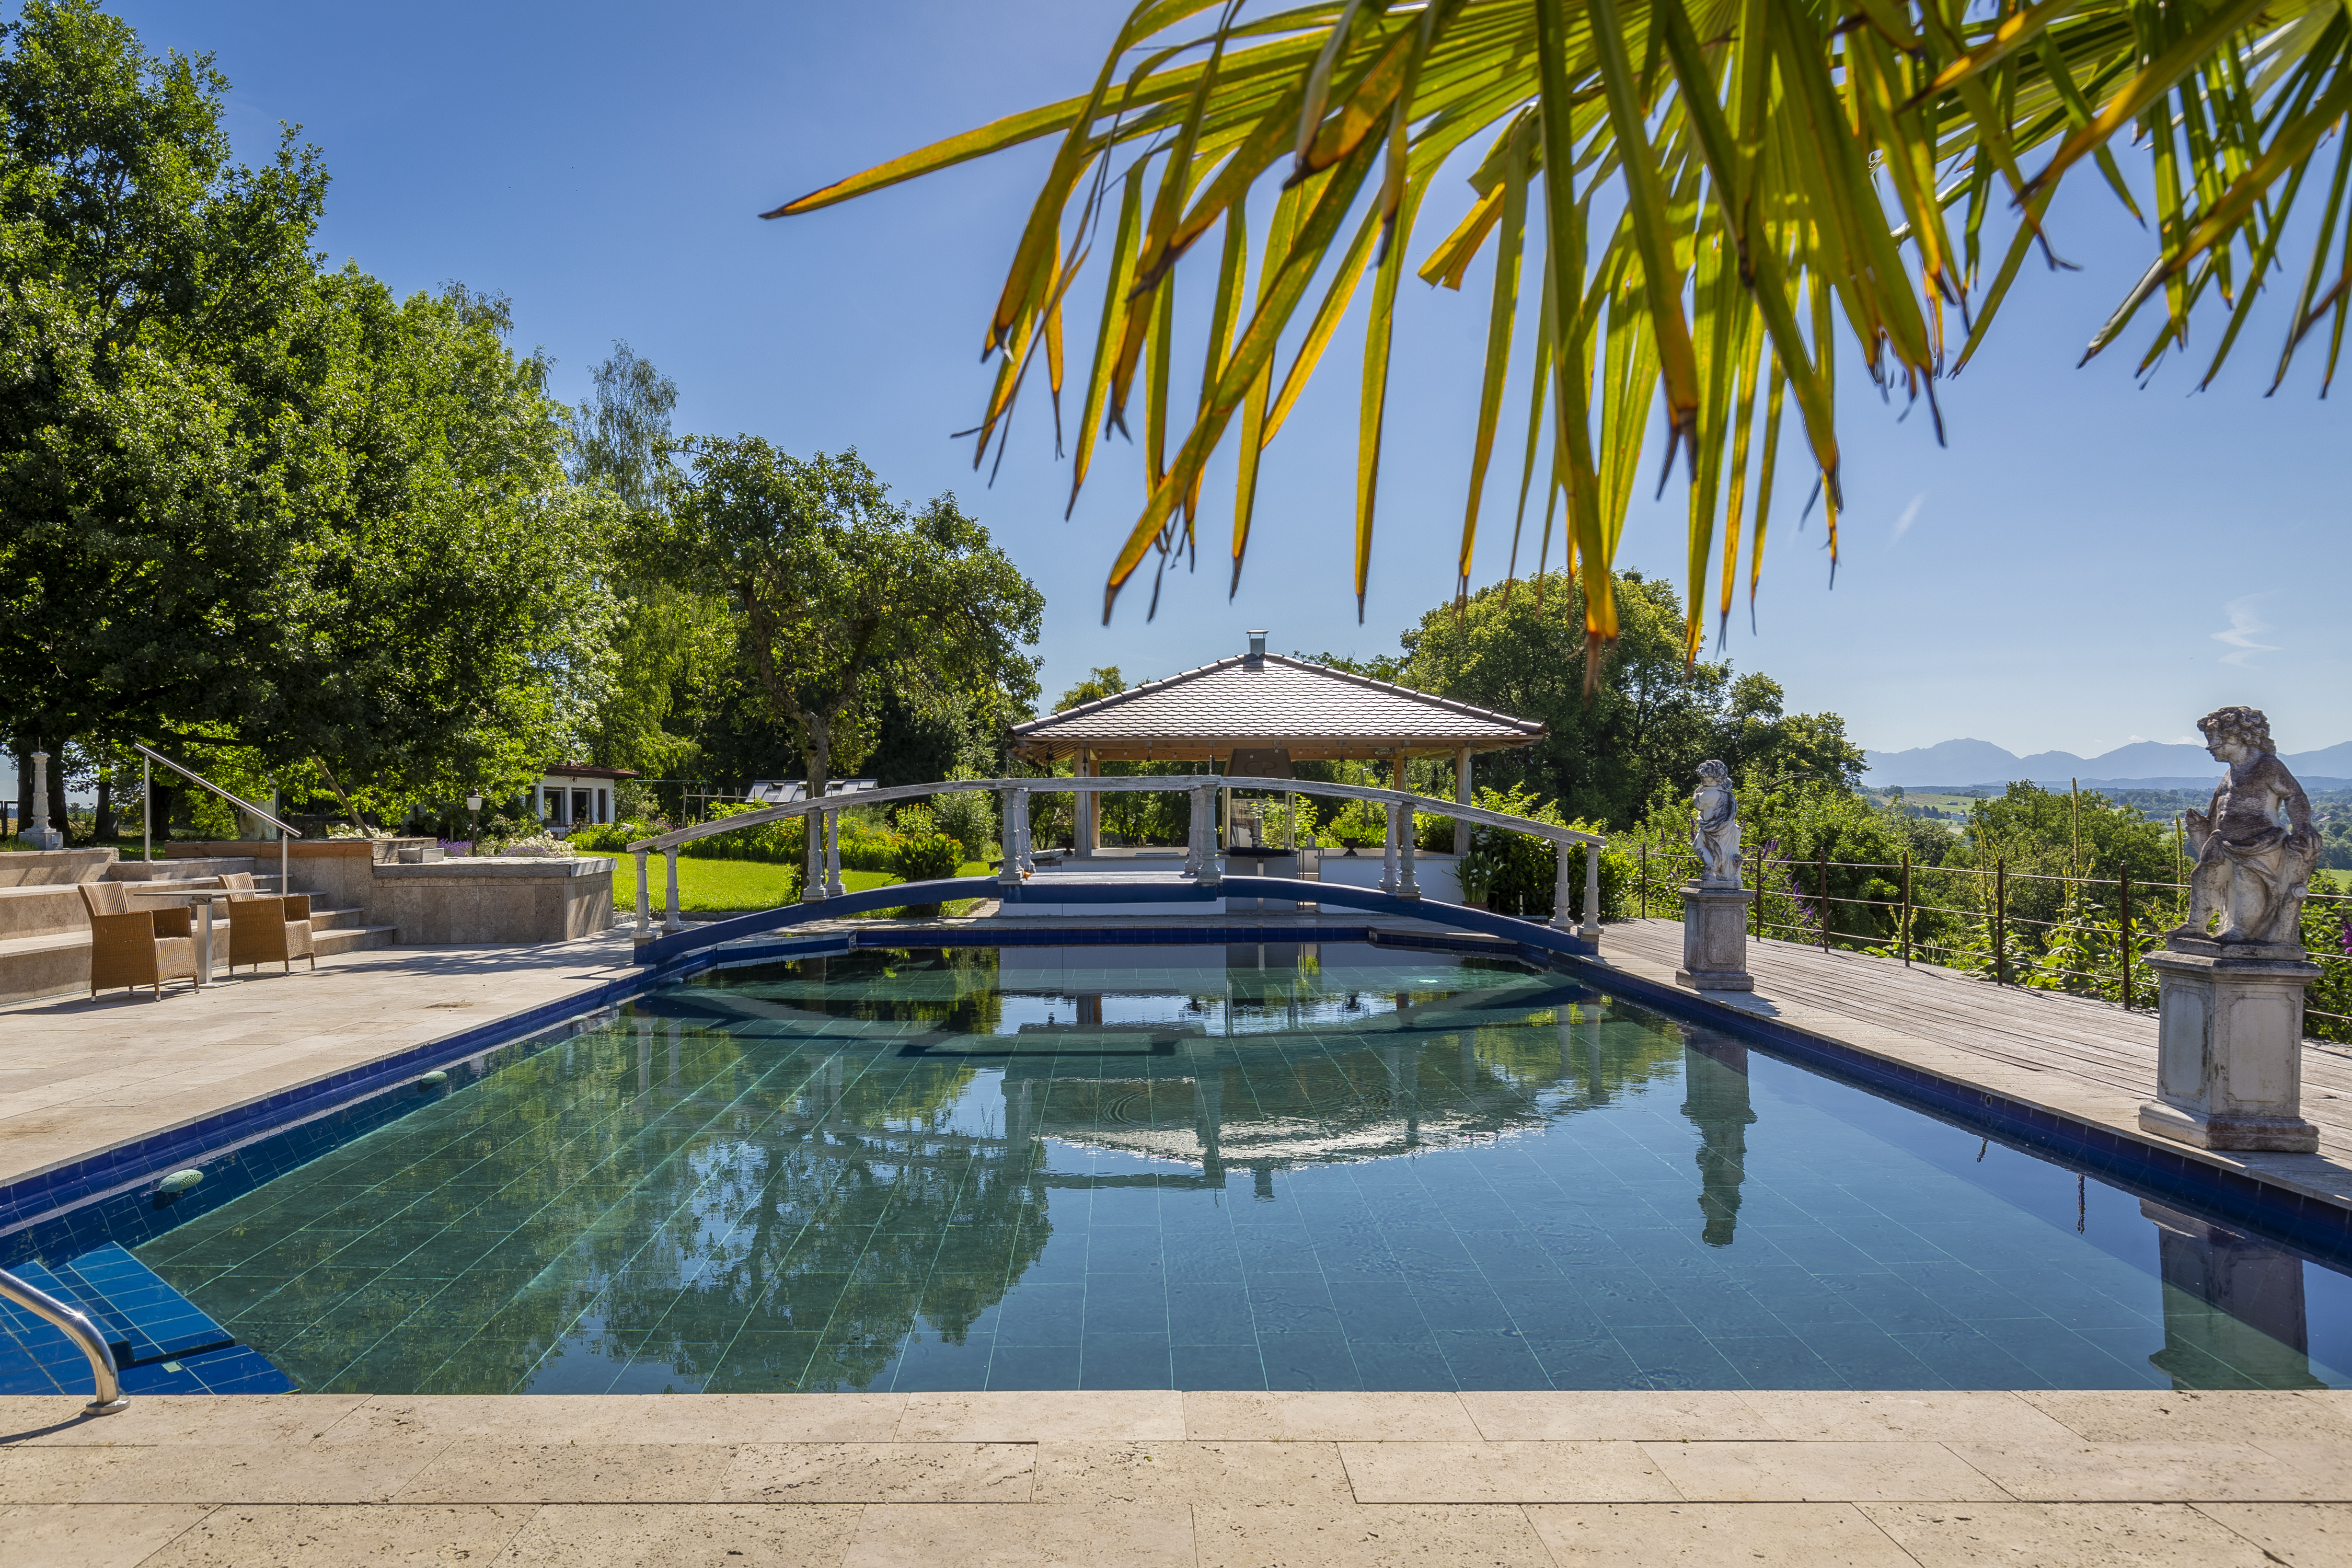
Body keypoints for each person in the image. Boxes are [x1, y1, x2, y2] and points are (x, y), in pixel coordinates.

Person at [2171, 706, 2318, 946]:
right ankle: (2196, 925)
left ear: (2234, 737)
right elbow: (2220, 804)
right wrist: (2204, 824)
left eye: (2213, 740)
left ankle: (2242, 932)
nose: (2209, 747)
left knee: (2246, 884)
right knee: (2203, 876)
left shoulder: (2268, 766)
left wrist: (2303, 825)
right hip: (2224, 840)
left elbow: (2294, 795)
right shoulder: (2231, 773)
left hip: (2259, 841)